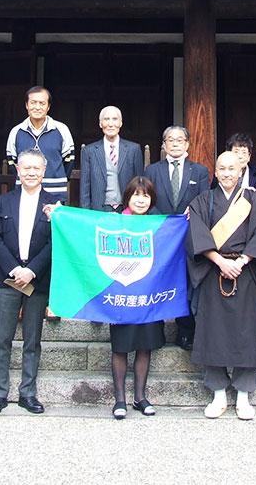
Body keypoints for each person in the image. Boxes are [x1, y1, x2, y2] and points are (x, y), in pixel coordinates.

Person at [187, 151, 256, 420]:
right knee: (213, 332)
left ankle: (244, 396)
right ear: (216, 171)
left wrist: (243, 260)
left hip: (245, 273)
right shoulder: (204, 201)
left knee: (246, 334)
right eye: (222, 168)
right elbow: (195, 235)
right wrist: (219, 261)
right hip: (214, 272)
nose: (226, 173)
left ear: (241, 170)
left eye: (231, 169)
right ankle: (217, 394)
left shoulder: (254, 201)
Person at [0, 148, 58, 417]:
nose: (31, 172)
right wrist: (16, 268)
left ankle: (28, 393)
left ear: (43, 171)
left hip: (36, 280)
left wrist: (32, 271)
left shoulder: (54, 203)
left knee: (32, 339)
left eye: (36, 168)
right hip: (9, 278)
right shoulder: (5, 201)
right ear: (18, 170)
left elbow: (55, 242)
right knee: (2, 338)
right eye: (26, 168)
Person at [144, 124, 210, 350]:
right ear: (163, 145)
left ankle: (185, 332)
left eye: (179, 140)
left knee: (185, 283)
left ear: (187, 144)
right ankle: (157, 331)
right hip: (160, 237)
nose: (175, 144)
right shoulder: (152, 170)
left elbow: (204, 202)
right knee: (159, 281)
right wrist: (162, 224)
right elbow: (147, 202)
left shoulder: (199, 171)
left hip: (188, 237)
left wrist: (192, 214)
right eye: (170, 140)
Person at [109, 176, 167, 420]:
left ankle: (140, 397)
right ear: (128, 198)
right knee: (121, 347)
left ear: (151, 199)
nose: (141, 200)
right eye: (136, 195)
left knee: (145, 346)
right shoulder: (115, 223)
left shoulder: (159, 224)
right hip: (122, 293)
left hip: (149, 295)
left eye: (145, 195)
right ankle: (119, 399)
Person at [6, 85, 75, 203]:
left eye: (42, 103)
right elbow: (12, 162)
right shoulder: (16, 131)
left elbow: (69, 161)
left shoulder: (61, 129)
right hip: (25, 192)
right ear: (27, 105)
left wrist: (56, 177)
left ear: (48, 107)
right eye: (33, 103)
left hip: (55, 193)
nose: (37, 107)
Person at [80, 105, 144, 211]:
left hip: (126, 208)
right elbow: (85, 187)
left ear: (121, 123)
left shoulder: (133, 149)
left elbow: (139, 183)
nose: (110, 124)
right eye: (106, 119)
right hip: (99, 209)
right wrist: (86, 213)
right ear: (100, 124)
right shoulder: (89, 151)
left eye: (115, 119)